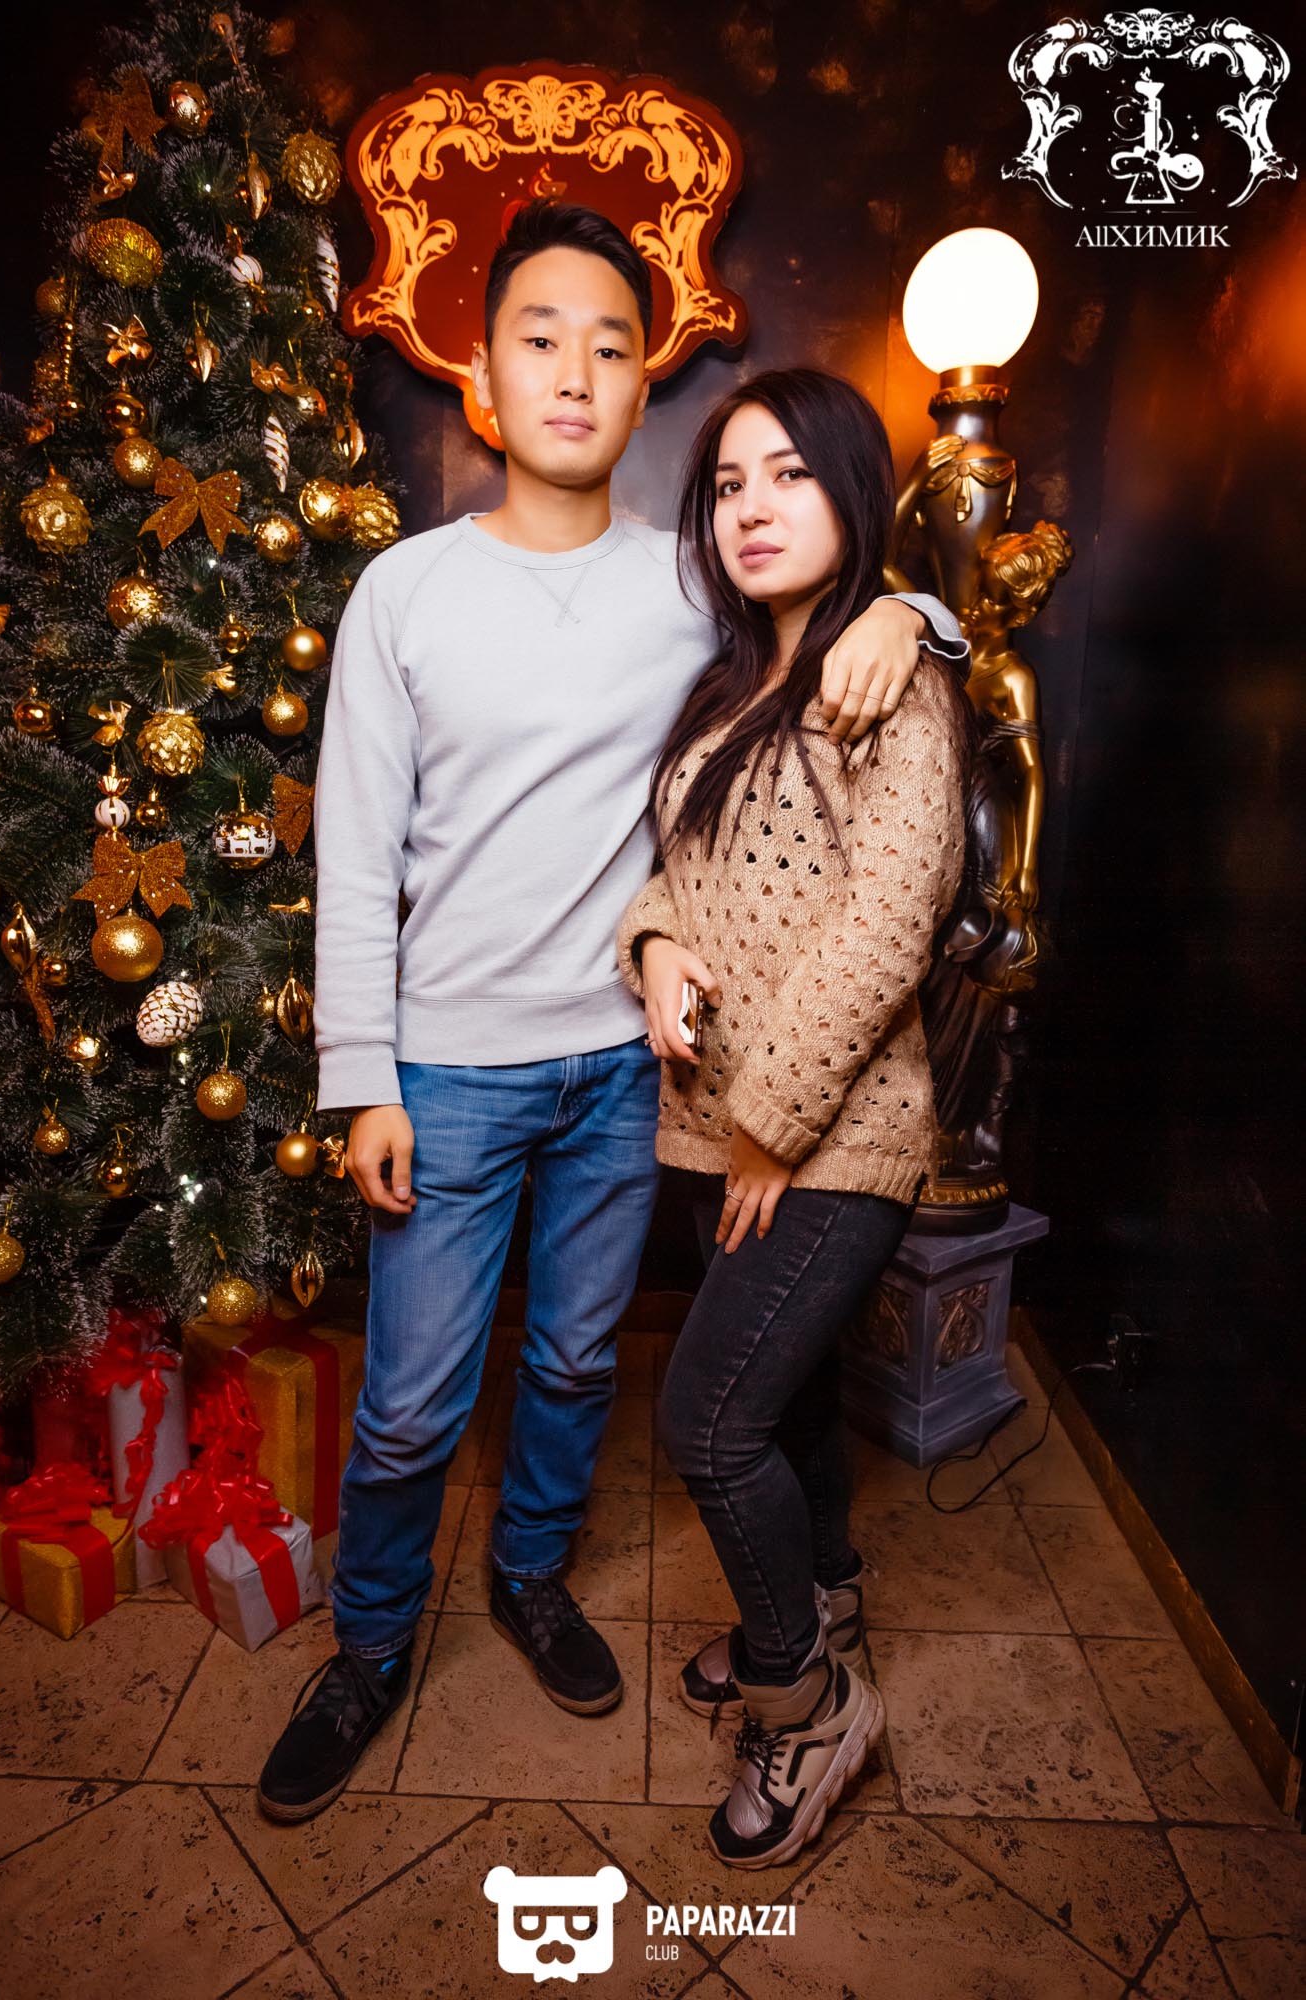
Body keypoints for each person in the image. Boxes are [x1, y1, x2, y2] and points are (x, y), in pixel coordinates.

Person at [256, 200, 968, 1824]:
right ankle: (369, 1650)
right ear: (482, 376)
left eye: (608, 346)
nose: (574, 373)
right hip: (446, 1067)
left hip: (621, 1073)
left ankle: (529, 1578)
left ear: (645, 385)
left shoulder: (692, 579)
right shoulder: (405, 591)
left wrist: (908, 614)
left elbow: (839, 618)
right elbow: (352, 852)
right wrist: (364, 1078)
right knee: (413, 1402)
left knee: (579, 1363)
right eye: (540, 338)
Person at [614, 366, 975, 1868]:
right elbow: (678, 870)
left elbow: (889, 927)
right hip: (724, 1136)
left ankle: (808, 1701)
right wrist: (653, 945)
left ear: (853, 491)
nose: (751, 508)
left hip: (830, 1139)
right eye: (725, 485)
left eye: (789, 475)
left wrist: (770, 1125)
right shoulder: (733, 687)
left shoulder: (894, 679)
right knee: (792, 1397)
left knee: (709, 1422)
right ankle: (817, 1601)